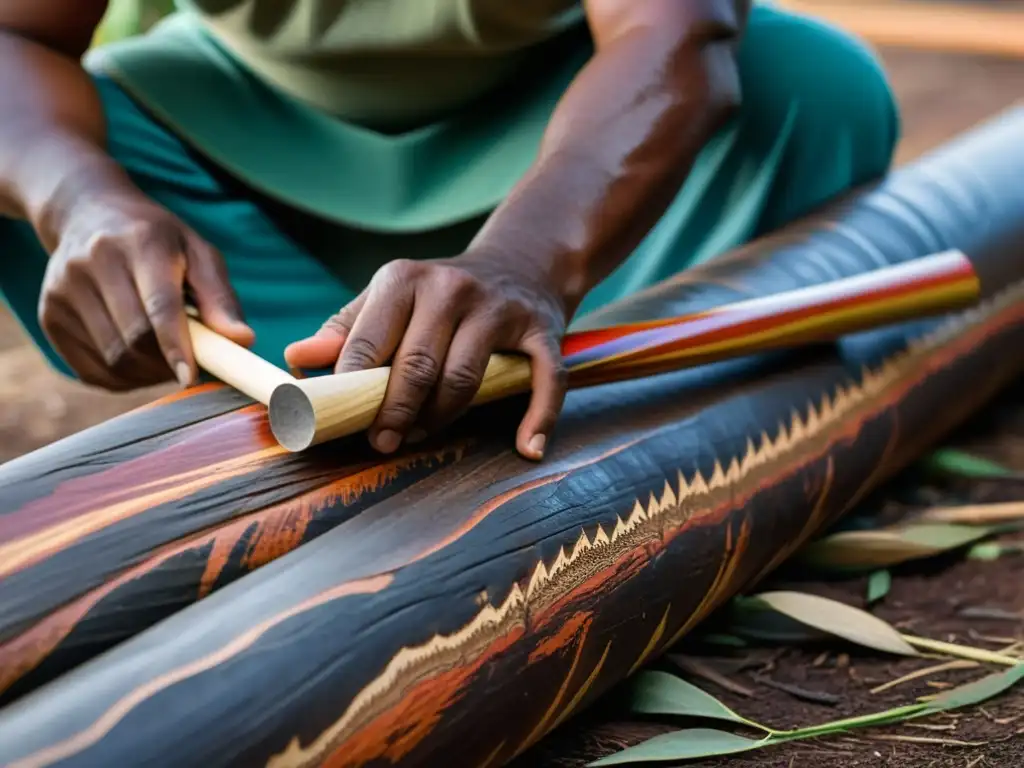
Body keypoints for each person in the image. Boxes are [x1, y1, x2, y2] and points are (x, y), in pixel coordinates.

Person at [0, 0, 899, 460]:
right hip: (240, 138)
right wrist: (81, 202)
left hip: (571, 144)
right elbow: (18, 36)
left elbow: (674, 35)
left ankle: (473, 352)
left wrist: (525, 261)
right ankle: (374, 373)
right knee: (31, 154)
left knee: (811, 92)